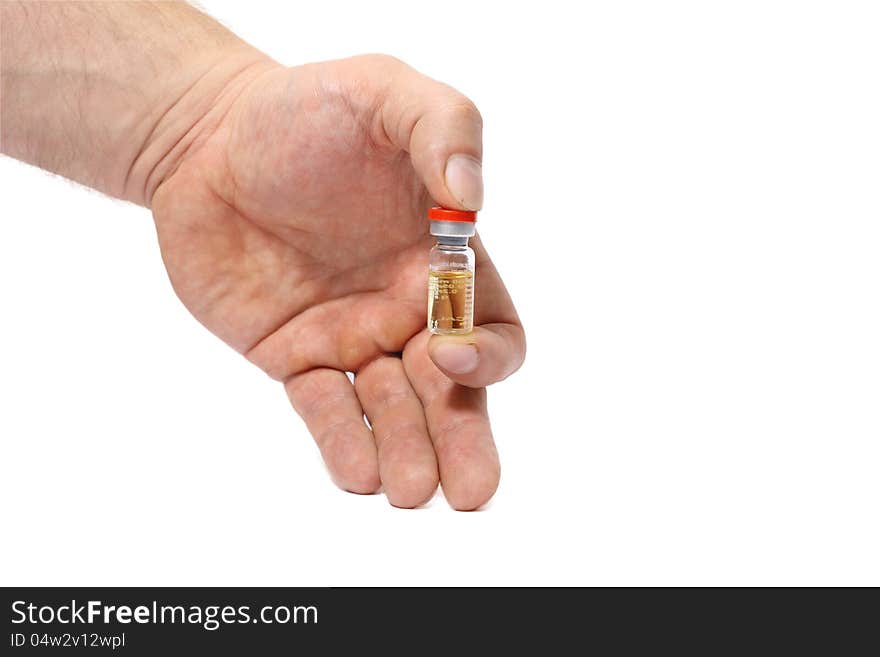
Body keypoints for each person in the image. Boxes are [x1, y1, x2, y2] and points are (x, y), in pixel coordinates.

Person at [1, 2, 525, 510]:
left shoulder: (446, 261)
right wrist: (201, 129)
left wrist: (203, 123)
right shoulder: (445, 263)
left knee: (458, 356)